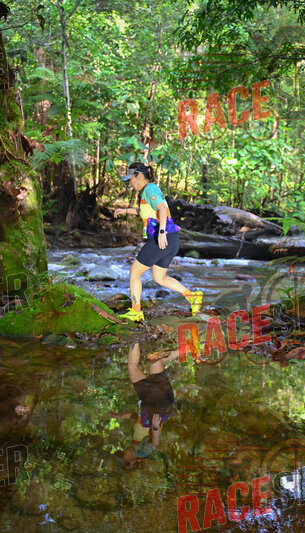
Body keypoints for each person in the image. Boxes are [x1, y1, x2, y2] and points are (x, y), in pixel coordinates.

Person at [113, 162, 202, 322]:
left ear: (139, 176)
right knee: (159, 278)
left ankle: (136, 311)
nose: (130, 183)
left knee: (135, 272)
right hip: (171, 239)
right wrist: (125, 210)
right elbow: (146, 211)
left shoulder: (150, 189)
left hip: (161, 238)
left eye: (131, 179)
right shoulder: (149, 190)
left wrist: (161, 232)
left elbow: (162, 208)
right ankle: (192, 297)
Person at [109, 342, 178, 466]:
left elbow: (136, 417)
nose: (125, 451)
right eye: (124, 455)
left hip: (148, 400)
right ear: (132, 462)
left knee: (135, 366)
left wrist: (119, 416)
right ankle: (191, 348)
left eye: (122, 452)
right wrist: (155, 428)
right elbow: (154, 443)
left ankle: (135, 339)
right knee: (155, 361)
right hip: (159, 405)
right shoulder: (142, 452)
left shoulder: (136, 442)